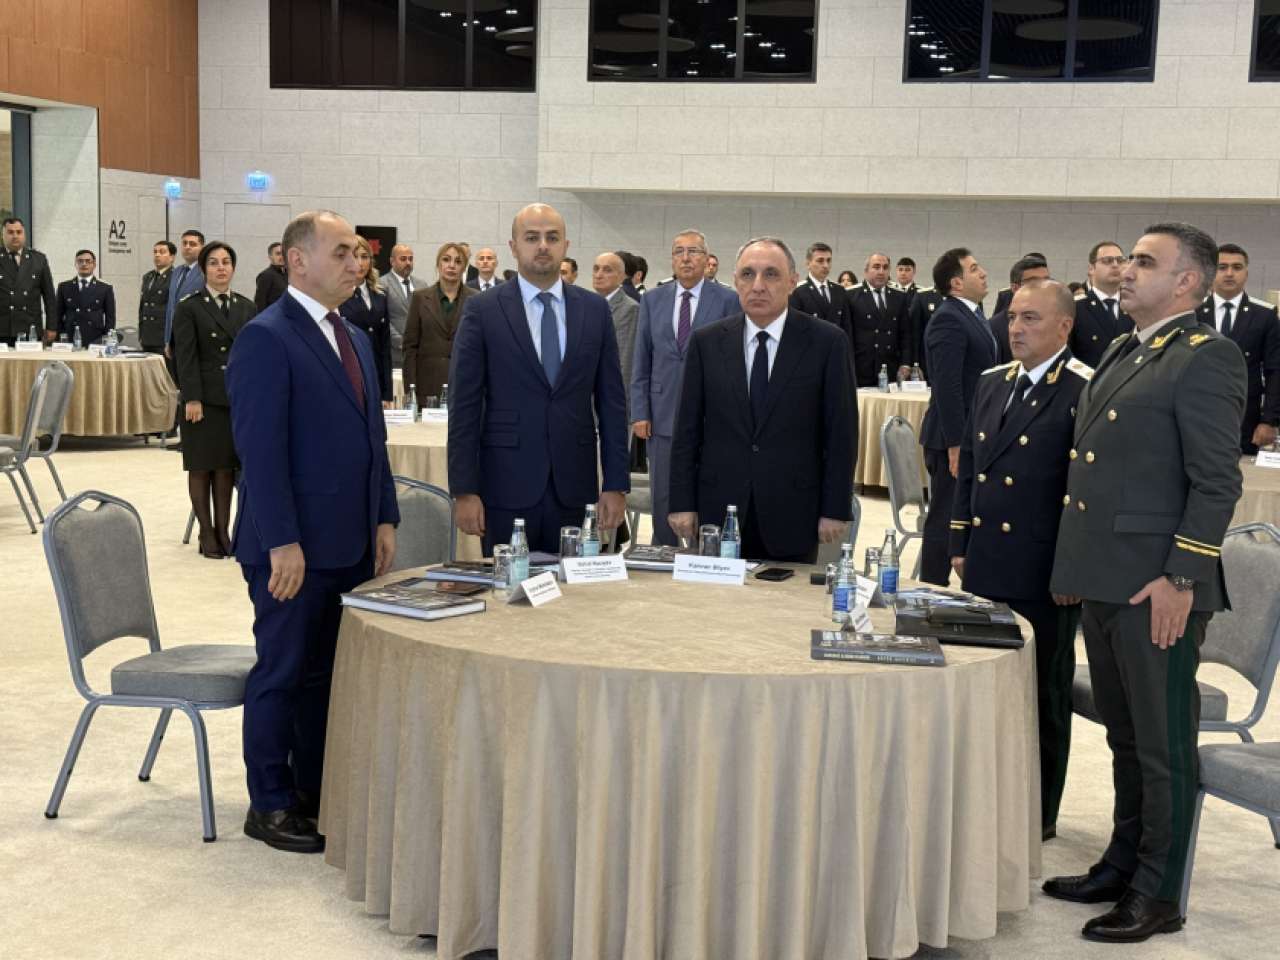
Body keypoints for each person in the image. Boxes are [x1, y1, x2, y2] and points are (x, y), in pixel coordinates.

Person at [1045, 222, 1246, 943]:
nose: (1126, 270)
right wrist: (1075, 568)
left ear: (1186, 281)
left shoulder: (1207, 356)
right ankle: (1123, 863)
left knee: (1163, 746)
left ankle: (1158, 892)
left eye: (1144, 262)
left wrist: (1181, 577)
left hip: (1157, 587)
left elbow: (1217, 482)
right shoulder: (1128, 348)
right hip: (1107, 579)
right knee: (1126, 739)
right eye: (1128, 259)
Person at [227, 210, 399, 854]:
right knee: (283, 671)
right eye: (342, 253)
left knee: (326, 675)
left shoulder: (352, 334)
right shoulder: (266, 337)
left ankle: (312, 790)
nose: (356, 263)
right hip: (291, 548)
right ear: (297, 261)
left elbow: (373, 440)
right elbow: (260, 454)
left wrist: (384, 515)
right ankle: (269, 803)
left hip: (348, 539)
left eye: (358, 253)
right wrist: (282, 541)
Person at [949, 278, 1091, 842]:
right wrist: (959, 542)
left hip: (1044, 571)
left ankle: (1038, 813)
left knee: (1042, 694)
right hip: (987, 561)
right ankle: (988, 800)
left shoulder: (1083, 389)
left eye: (1031, 318)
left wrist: (1073, 567)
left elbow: (1086, 492)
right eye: (1012, 317)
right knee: (986, 685)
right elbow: (971, 468)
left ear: (1064, 326)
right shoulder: (993, 382)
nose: (1016, 328)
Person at [447, 203, 629, 555]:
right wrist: (464, 490)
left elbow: (612, 403)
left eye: (552, 237)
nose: (543, 245)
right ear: (514, 247)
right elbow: (464, 405)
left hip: (575, 486)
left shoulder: (594, 311)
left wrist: (616, 484)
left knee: (573, 587)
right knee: (508, 586)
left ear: (566, 246)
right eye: (532, 238)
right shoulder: (483, 310)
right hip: (505, 485)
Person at [668, 237, 857, 563]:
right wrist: (682, 502)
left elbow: (842, 434)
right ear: (735, 281)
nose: (757, 285)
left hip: (794, 510)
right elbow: (686, 430)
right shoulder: (706, 343)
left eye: (771, 274)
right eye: (747, 274)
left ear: (792, 282)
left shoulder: (827, 343)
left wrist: (835, 508)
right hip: (719, 509)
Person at [630, 229, 740, 545]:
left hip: (710, 416)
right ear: (672, 259)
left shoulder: (727, 300)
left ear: (707, 259)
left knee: (707, 488)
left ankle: (705, 554)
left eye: (694, 251)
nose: (686, 258)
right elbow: (642, 358)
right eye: (679, 251)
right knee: (664, 492)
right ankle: (664, 551)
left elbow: (733, 362)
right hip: (661, 413)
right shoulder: (653, 299)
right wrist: (640, 411)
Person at [172, 241, 256, 559]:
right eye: (213, 263)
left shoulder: (246, 307)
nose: (221, 268)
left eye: (226, 262)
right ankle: (206, 532)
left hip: (234, 398)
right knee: (201, 466)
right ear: (203, 269)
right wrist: (192, 398)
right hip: (202, 400)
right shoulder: (189, 306)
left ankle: (224, 530)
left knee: (224, 467)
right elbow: (185, 357)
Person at [919, 247, 995, 585]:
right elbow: (947, 387)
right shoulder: (948, 318)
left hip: (969, 434)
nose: (983, 273)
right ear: (956, 283)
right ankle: (930, 587)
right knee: (945, 517)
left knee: (958, 514)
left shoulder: (973, 315)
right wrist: (955, 445)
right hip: (950, 438)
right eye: (974, 269)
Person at [1194, 243, 1280, 453]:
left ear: (1246, 273)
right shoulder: (1192, 313)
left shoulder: (1265, 316)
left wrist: (1269, 420)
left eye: (1237, 267)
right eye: (1222, 267)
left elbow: (1275, 370)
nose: (1230, 273)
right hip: (1195, 412)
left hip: (1245, 417)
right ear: (1211, 272)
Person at [403, 242, 474, 405]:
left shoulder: (475, 300)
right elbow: (410, 347)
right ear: (438, 265)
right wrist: (410, 391)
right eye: (446, 259)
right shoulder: (420, 298)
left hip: (465, 386)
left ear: (464, 268)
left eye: (458, 261)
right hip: (427, 387)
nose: (452, 265)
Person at [338, 235, 393, 407]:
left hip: (375, 374)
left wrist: (387, 392)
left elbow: (385, 346)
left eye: (365, 257)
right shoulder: (336, 294)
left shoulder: (380, 294)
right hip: (349, 374)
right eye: (355, 256)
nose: (360, 263)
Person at [847, 252, 912, 386]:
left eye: (885, 267)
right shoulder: (851, 296)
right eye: (876, 267)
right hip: (861, 368)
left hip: (891, 368)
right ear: (866, 270)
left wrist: (905, 363)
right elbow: (847, 335)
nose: (881, 272)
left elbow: (905, 333)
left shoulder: (899, 297)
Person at [1072, 241, 1132, 367]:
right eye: (1107, 261)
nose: (1115, 265)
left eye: (1120, 260)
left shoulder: (1136, 307)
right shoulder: (1075, 308)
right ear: (1091, 269)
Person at [592, 251, 638, 413]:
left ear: (621, 277)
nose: (599, 275)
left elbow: (624, 361)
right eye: (596, 269)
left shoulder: (629, 308)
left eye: (607, 270)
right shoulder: (590, 304)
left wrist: (615, 406)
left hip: (610, 400)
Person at [0, 216, 56, 346]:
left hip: (30, 327)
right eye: (10, 232)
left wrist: (51, 326)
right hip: (3, 328)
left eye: (19, 232)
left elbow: (49, 296)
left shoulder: (39, 259)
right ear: (3, 235)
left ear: (24, 235)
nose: (15, 236)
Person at [789, 242, 853, 347]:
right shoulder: (798, 292)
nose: (825, 265)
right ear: (808, 263)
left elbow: (847, 328)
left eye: (828, 260)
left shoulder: (839, 291)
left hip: (836, 349)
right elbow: (794, 329)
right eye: (820, 261)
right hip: (811, 350)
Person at [989, 255, 1049, 365]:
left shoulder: (1056, 321)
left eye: (1047, 281)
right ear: (1015, 288)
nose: (1043, 287)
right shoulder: (995, 328)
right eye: (1034, 283)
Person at [55, 250, 116, 345]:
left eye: (88, 261)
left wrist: (107, 339)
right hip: (70, 338)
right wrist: (60, 336)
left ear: (94, 265)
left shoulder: (105, 288)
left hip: (95, 339)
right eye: (80, 261)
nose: (84, 264)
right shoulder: (64, 287)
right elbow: (57, 315)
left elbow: (110, 319)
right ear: (75, 264)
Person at [164, 229, 206, 354]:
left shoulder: (205, 272)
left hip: (196, 339)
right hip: (175, 338)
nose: (187, 247)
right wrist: (167, 340)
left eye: (192, 244)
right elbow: (170, 307)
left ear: (202, 248)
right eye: (184, 243)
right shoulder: (176, 272)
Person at [383, 243, 421, 367]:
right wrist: (402, 342)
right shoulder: (381, 284)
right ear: (392, 261)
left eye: (410, 259)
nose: (408, 262)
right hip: (395, 354)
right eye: (403, 259)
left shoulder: (422, 285)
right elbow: (382, 319)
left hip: (420, 354)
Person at [138, 240, 174, 353]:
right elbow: (142, 307)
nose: (157, 255)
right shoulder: (148, 276)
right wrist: (141, 333)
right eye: (155, 252)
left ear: (172, 257)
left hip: (163, 336)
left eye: (162, 252)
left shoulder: (175, 276)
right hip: (147, 336)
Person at [253, 241, 288, 311]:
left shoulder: (289, 274)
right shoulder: (265, 275)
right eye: (278, 254)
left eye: (283, 253)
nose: (282, 256)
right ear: (270, 257)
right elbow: (260, 303)